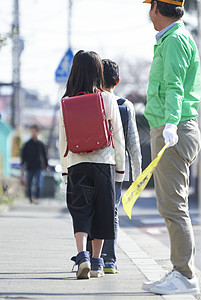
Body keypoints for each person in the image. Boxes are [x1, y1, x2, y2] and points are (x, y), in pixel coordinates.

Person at [142, 0, 201, 295]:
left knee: (174, 207)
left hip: (173, 129)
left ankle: (185, 276)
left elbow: (175, 86)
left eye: (148, 6)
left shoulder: (175, 39)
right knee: (171, 207)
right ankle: (180, 270)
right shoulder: (173, 38)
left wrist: (169, 124)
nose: (147, 13)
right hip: (173, 127)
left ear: (156, 8)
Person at [59, 50, 125, 279]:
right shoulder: (107, 99)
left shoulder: (66, 102)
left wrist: (65, 170)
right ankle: (97, 262)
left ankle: (82, 257)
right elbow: (118, 137)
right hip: (103, 164)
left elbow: (63, 140)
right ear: (98, 72)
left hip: (77, 164)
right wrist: (120, 170)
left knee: (81, 211)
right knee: (103, 212)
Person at [101, 59, 142, 273]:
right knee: (112, 213)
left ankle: (91, 257)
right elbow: (133, 144)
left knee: (91, 211)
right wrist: (138, 175)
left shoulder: (90, 101)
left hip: (92, 165)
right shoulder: (124, 106)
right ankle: (109, 260)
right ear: (117, 81)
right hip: (116, 168)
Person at [20, 125, 49, 204]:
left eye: (34, 131)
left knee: (38, 184)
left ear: (37, 132)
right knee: (29, 183)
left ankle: (36, 197)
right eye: (32, 132)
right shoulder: (27, 144)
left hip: (39, 166)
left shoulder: (41, 144)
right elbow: (23, 155)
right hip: (30, 166)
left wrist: (46, 165)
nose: (33, 133)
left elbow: (45, 155)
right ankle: (30, 197)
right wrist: (22, 164)